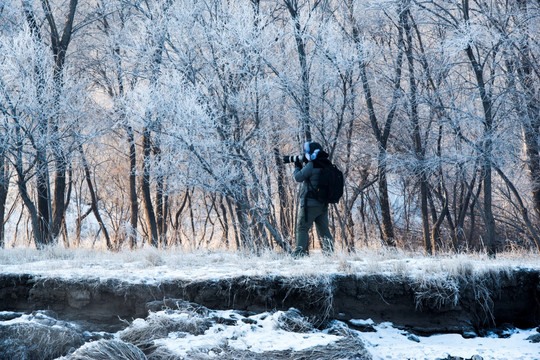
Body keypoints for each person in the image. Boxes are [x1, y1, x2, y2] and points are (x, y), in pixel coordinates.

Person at [293, 141, 334, 256]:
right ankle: (330, 254)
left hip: (309, 205)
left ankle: (298, 255)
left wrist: (297, 167)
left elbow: (298, 177)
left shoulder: (311, 165)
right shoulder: (326, 163)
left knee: (302, 228)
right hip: (323, 204)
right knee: (324, 231)